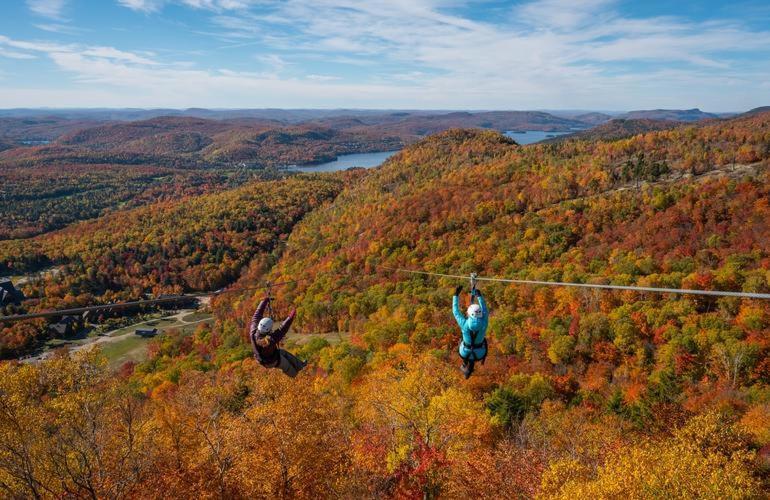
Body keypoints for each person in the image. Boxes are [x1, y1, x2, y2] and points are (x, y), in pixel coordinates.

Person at [249, 296, 306, 377]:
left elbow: (256, 315)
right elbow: (282, 329)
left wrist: (264, 301)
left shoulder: (253, 331)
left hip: (263, 357)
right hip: (270, 361)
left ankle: (301, 365)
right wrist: (291, 317)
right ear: (268, 330)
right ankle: (298, 377)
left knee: (284, 353)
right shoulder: (268, 341)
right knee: (287, 366)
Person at [452, 284, 488, 379]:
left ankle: (465, 363)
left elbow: (455, 311)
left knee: (461, 340)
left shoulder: (464, 324)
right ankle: (466, 365)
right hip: (480, 353)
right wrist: (479, 296)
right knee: (483, 340)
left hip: (464, 352)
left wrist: (456, 295)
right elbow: (485, 310)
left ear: (469, 314)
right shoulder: (484, 322)